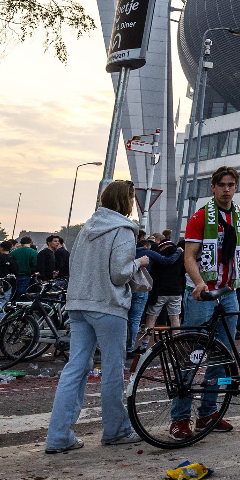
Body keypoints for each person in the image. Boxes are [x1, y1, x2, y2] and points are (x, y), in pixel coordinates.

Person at [175, 165, 240, 441]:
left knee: (222, 357)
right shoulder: (200, 217)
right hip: (203, 293)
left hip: (229, 291)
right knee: (191, 356)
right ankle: (179, 418)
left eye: (230, 184)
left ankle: (208, 413)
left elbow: (239, 249)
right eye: (221, 184)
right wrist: (198, 282)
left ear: (236, 187)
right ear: (212, 187)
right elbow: (189, 256)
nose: (226, 189)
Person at [45, 180, 144, 453]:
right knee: (112, 368)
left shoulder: (86, 228)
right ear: (127, 201)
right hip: (108, 306)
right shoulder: (123, 230)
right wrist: (140, 262)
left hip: (78, 304)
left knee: (75, 368)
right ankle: (116, 429)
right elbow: (119, 273)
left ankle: (58, 436)